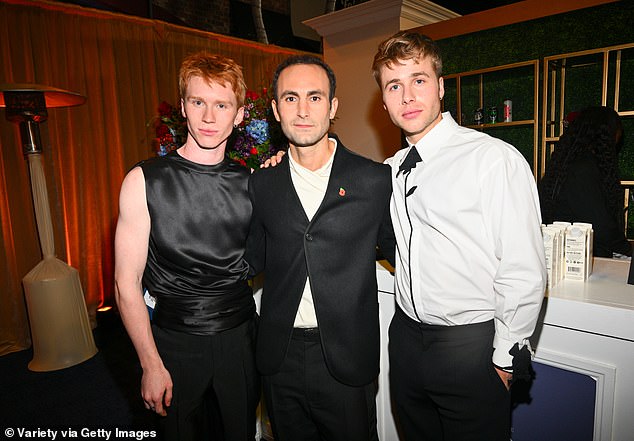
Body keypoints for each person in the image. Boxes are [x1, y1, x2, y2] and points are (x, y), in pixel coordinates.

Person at [371, 31, 546, 441]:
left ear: (441, 86)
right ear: (383, 101)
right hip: (406, 342)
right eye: (394, 85)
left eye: (419, 80)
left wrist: (505, 359)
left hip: (471, 349)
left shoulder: (492, 159)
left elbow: (523, 268)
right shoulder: (389, 168)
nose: (408, 95)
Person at [247, 54, 395, 441]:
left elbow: (406, 255)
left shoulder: (374, 181)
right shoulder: (262, 184)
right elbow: (248, 260)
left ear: (332, 106)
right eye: (291, 98)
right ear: (276, 110)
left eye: (315, 97)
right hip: (279, 359)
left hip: (346, 360)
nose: (303, 110)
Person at [114, 52, 259, 441]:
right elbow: (125, 284)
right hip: (173, 343)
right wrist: (149, 363)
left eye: (222, 105)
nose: (209, 118)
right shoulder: (144, 181)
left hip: (240, 339)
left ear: (240, 114)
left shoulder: (255, 184)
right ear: (182, 107)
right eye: (198, 102)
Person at [539, 106, 631, 258]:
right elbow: (601, 226)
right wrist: (627, 249)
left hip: (563, 256)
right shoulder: (583, 168)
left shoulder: (566, 164)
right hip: (580, 258)